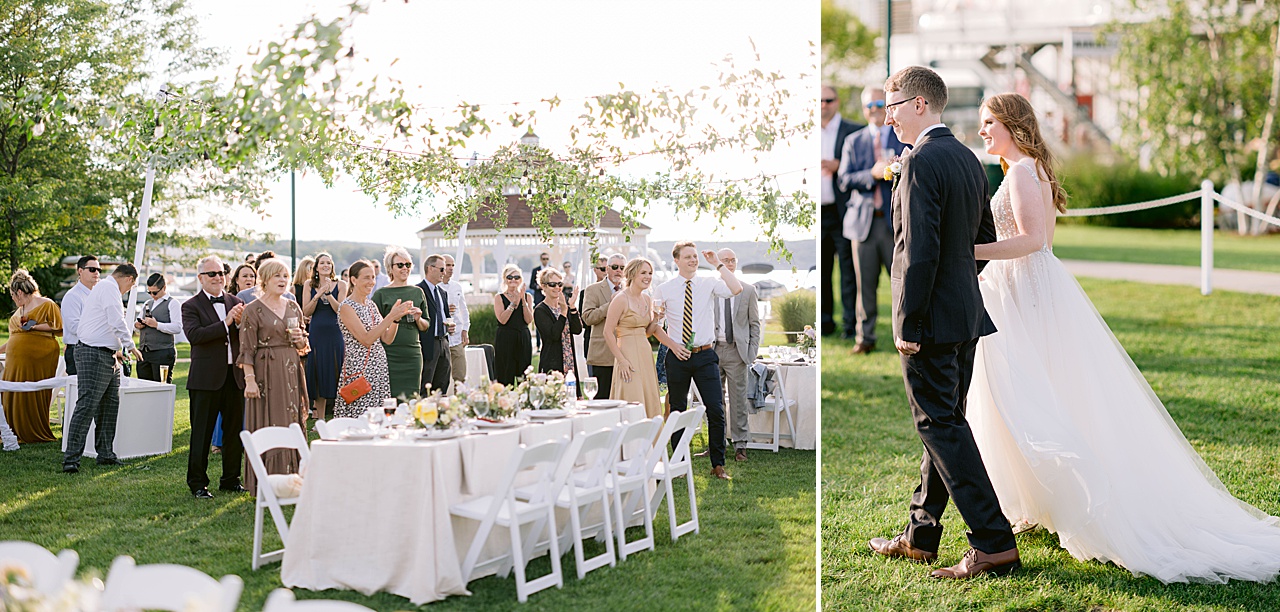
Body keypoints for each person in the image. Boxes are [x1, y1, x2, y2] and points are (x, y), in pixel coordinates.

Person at [966, 93, 1280, 583]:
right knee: (1032, 395)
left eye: (990, 122)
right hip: (1027, 288)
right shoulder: (1024, 169)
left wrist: (972, 250)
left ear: (1013, 124)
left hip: (1026, 291)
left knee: (1034, 396)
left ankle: (1075, 497)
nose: (982, 129)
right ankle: (1038, 500)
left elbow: (1033, 241)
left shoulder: (1024, 171)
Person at [866, 66, 1019, 580]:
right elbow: (982, 238)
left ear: (918, 104)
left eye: (890, 107)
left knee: (940, 425)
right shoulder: (969, 159)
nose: (886, 118)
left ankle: (994, 543)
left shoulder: (920, 161)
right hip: (964, 315)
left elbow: (919, 251)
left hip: (930, 320)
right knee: (946, 422)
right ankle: (921, 536)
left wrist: (910, 321)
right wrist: (957, 288)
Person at [656, 242, 742, 480]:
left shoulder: (708, 283)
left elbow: (736, 288)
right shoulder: (664, 289)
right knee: (677, 410)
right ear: (676, 260)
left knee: (716, 409)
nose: (693, 260)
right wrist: (673, 346)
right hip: (677, 356)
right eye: (688, 257)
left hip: (705, 355)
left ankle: (718, 464)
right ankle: (678, 463)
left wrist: (717, 264)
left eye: (695, 256)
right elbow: (654, 326)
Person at [838, 87, 906, 352]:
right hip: (863, 223)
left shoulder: (901, 136)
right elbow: (844, 179)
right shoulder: (853, 141)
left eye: (880, 104)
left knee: (901, 282)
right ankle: (865, 338)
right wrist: (872, 174)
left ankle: (904, 335)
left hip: (895, 222)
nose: (875, 109)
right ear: (864, 109)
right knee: (864, 286)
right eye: (870, 105)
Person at [239, 259, 311, 497]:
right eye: (277, 276)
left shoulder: (293, 307)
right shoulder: (252, 310)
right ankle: (267, 482)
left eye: (285, 276)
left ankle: (296, 479)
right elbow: (246, 350)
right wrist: (250, 380)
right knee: (270, 419)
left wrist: (300, 339)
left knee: (292, 418)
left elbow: (303, 345)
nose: (282, 280)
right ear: (265, 280)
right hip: (266, 372)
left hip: (291, 370)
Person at [62, 263, 143, 473]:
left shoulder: (106, 288)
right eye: (131, 286)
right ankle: (71, 459)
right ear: (129, 279)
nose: (128, 290)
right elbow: (116, 320)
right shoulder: (109, 288)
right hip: (93, 353)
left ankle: (106, 454)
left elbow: (108, 325)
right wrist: (130, 345)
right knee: (87, 405)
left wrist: (119, 349)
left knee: (109, 406)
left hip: (108, 355)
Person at [182, 256, 247, 498]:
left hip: (234, 377)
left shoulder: (236, 301)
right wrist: (226, 322)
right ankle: (198, 483)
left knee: (233, 433)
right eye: (212, 274)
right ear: (200, 278)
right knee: (202, 433)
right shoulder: (190, 306)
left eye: (221, 272)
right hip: (205, 379)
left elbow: (245, 337)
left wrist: (240, 325)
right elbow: (195, 336)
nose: (218, 277)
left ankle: (231, 479)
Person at [603, 258, 684, 418]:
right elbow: (607, 332)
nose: (648, 277)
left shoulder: (647, 299)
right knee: (632, 397)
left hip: (645, 354)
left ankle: (651, 433)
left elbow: (649, 332)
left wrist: (658, 321)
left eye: (650, 273)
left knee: (649, 396)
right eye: (643, 273)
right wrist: (621, 360)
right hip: (627, 354)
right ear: (632, 274)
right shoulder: (620, 299)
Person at [336, 260, 410, 417]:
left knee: (379, 415)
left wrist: (396, 319)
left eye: (373, 277)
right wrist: (390, 316)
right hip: (359, 370)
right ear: (353, 280)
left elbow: (387, 338)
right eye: (366, 278)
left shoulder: (371, 305)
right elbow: (366, 339)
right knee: (361, 414)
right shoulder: (346, 307)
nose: (371, 282)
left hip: (379, 368)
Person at [819, 84, 864, 337]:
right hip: (818, 212)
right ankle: (824, 323)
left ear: (837, 102)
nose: (823, 105)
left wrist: (840, 166)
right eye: (819, 100)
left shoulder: (854, 131)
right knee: (822, 270)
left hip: (843, 210)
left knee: (849, 270)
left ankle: (850, 324)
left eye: (828, 100)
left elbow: (862, 167)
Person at [0, 270, 62, 443]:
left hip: (40, 357)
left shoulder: (47, 304)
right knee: (11, 390)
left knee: (33, 390)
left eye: (13, 295)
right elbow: (14, 338)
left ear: (19, 292)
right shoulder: (19, 310)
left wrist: (34, 327)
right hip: (15, 359)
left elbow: (58, 327)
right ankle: (11, 428)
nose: (13, 299)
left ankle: (31, 429)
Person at [712, 248, 760, 462]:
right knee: (715, 400)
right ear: (718, 264)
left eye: (732, 260)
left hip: (737, 351)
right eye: (725, 260)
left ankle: (740, 446)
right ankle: (717, 444)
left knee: (739, 401)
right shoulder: (711, 289)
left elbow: (754, 324)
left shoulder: (748, 290)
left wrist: (751, 352)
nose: (729, 264)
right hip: (713, 350)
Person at [371, 247, 428, 399]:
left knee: (412, 398)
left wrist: (418, 318)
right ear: (390, 268)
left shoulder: (418, 292)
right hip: (389, 354)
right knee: (389, 398)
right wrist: (393, 316)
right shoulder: (381, 294)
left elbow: (426, 326)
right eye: (400, 265)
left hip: (412, 354)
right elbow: (375, 326)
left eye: (408, 264)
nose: (405, 268)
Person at [302, 252, 347, 418]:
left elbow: (340, 310)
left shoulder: (341, 284)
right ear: (316, 267)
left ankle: (339, 415)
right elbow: (306, 311)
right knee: (317, 372)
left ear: (332, 266)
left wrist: (328, 294)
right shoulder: (308, 284)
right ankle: (319, 417)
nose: (326, 265)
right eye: (322, 263)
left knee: (336, 370)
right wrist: (318, 294)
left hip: (335, 334)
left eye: (328, 262)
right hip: (316, 334)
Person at [581, 254, 625, 399]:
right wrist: (611, 304)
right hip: (602, 356)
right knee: (601, 401)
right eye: (615, 267)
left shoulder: (629, 290)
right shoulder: (593, 289)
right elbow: (587, 318)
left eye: (622, 267)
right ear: (607, 269)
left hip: (626, 354)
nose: (618, 270)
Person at [416, 254, 454, 394]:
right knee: (426, 383)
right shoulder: (418, 290)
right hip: (428, 343)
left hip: (444, 341)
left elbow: (446, 316)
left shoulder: (442, 292)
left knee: (443, 382)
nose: (445, 272)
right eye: (442, 269)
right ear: (430, 268)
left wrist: (450, 326)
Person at [533, 268, 581, 379]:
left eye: (559, 284)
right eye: (552, 284)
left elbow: (577, 329)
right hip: (552, 362)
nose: (557, 288)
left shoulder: (564, 306)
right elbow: (553, 335)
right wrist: (563, 312)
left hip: (569, 360)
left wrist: (572, 307)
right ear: (543, 286)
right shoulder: (540, 310)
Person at [134, 273, 182, 384]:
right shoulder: (147, 303)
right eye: (149, 292)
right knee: (143, 387)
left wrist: (157, 325)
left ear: (164, 287)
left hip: (162, 352)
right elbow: (136, 323)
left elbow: (177, 327)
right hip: (144, 352)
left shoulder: (173, 303)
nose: (152, 295)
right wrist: (137, 325)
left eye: (154, 292)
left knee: (161, 387)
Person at [492, 263, 533, 385]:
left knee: (523, 376)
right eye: (510, 277)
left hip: (522, 337)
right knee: (505, 375)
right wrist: (513, 303)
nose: (513, 280)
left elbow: (528, 320)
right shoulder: (499, 297)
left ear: (521, 279)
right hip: (506, 338)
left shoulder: (527, 297)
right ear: (505, 279)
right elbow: (502, 320)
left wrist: (523, 301)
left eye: (516, 277)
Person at [60, 255, 100, 376]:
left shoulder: (97, 295)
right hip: (78, 351)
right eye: (92, 269)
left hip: (95, 350)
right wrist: (100, 327)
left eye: (99, 270)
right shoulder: (73, 296)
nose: (97, 273)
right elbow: (74, 327)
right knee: (78, 387)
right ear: (80, 271)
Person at [440, 254, 470, 389]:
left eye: (452, 265)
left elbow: (464, 310)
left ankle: (460, 400)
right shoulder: (434, 287)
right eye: (448, 265)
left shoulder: (457, 286)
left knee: (460, 377)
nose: (451, 268)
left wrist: (465, 329)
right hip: (441, 339)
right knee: (441, 378)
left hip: (457, 338)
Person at [579, 255, 607, 356]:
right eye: (603, 269)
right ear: (595, 270)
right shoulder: (586, 292)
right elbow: (584, 320)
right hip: (592, 341)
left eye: (609, 268)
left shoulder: (618, 292)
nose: (606, 272)